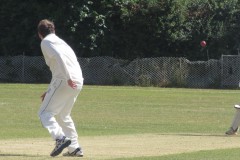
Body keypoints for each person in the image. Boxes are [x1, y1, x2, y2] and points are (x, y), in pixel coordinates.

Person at [37, 19, 84, 157]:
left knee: (44, 113)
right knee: (64, 115)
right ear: (54, 30)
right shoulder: (62, 42)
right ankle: (74, 148)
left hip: (66, 80)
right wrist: (50, 90)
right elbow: (66, 62)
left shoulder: (45, 42)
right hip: (77, 81)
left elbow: (59, 57)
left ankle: (60, 138)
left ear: (40, 33)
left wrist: (68, 78)